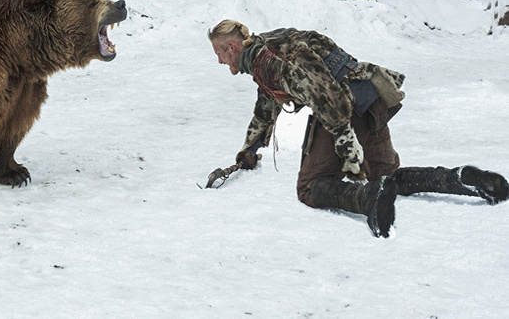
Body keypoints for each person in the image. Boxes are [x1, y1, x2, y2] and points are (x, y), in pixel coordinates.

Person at [208, 19, 508, 237]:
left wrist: (345, 142)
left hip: (345, 108)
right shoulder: (266, 49)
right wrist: (249, 150)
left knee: (310, 187)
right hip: (370, 98)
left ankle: (368, 199)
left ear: (232, 47)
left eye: (220, 54)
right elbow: (266, 106)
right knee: (387, 176)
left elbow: (327, 95)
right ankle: (459, 179)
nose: (219, 62)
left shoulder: (269, 63)